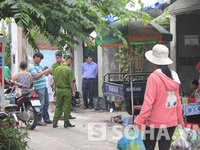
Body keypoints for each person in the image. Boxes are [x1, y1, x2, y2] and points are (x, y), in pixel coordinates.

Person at [134, 44, 184, 150]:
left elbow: (148, 102)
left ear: (153, 61)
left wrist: (139, 121)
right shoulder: (174, 76)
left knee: (148, 147)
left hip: (154, 123)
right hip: (171, 122)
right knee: (165, 148)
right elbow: (177, 101)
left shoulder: (154, 77)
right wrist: (180, 119)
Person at [28, 52, 53, 126]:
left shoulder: (38, 65)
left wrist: (47, 71)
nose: (40, 61)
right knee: (41, 105)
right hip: (39, 87)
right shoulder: (31, 66)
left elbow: (43, 74)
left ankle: (46, 119)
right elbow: (35, 76)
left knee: (46, 104)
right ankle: (38, 120)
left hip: (44, 86)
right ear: (35, 57)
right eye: (40, 59)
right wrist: (44, 71)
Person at [53, 55, 76, 128]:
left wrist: (56, 89)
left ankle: (55, 122)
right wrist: (73, 91)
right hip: (66, 90)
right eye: (71, 62)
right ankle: (66, 122)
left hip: (59, 89)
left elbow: (55, 79)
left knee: (58, 106)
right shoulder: (69, 70)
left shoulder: (57, 69)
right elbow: (71, 82)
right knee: (66, 106)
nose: (71, 63)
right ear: (68, 60)